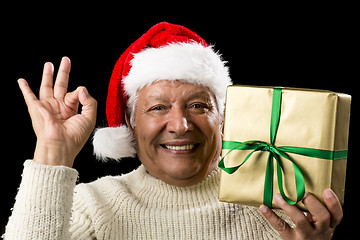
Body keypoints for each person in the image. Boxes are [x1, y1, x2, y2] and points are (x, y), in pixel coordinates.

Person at [4, 22, 343, 239]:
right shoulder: (93, 207)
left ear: (224, 120)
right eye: (158, 107)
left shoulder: (280, 208)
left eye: (198, 106)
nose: (181, 125)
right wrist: (53, 150)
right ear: (131, 125)